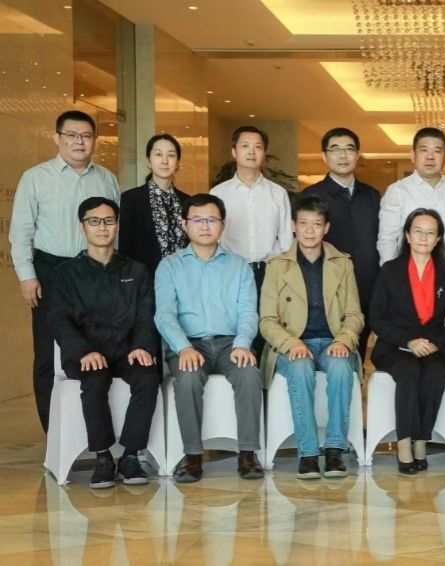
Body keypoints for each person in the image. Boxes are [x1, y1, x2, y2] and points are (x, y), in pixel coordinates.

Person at [9, 109, 121, 433]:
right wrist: (27, 275)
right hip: (51, 271)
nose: (79, 142)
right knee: (48, 354)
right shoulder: (35, 177)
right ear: (57, 138)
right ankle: (54, 433)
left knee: (99, 346)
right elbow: (21, 232)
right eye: (71, 135)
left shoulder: (107, 179)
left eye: (86, 136)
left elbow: (116, 231)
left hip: (96, 270)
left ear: (95, 140)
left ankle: (95, 432)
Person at [48, 197, 160, 489]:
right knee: (95, 380)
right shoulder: (64, 274)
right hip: (87, 352)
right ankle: (102, 457)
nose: (102, 227)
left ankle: (131, 456)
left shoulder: (136, 271)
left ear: (117, 226)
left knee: (148, 377)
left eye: (109, 221)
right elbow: (59, 320)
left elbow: (146, 315)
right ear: (82, 226)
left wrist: (141, 345)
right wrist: (84, 351)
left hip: (126, 350)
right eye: (94, 221)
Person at [154, 193, 264, 482]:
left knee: (249, 374)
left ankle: (247, 455)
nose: (205, 226)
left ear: (222, 225)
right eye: (197, 220)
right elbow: (164, 315)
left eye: (212, 219)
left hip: (231, 343)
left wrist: (243, 343)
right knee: (188, 378)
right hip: (189, 344)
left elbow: (248, 312)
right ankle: (192, 457)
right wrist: (183, 347)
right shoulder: (169, 266)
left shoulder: (239, 266)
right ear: (184, 224)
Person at [259, 195, 365, 479]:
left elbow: (355, 314)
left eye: (316, 224)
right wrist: (290, 343)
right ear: (293, 226)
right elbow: (266, 320)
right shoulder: (276, 266)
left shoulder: (342, 263)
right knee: (300, 368)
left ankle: (334, 450)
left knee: (341, 368)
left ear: (326, 228)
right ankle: (307, 453)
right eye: (303, 223)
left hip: (333, 342)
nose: (309, 230)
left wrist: (343, 340)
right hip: (294, 343)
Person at [369, 208, 445, 474]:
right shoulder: (390, 270)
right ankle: (404, 443)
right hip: (395, 346)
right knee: (409, 371)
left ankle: (421, 440)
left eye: (430, 233)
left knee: (435, 373)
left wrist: (436, 342)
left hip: (433, 345)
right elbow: (377, 318)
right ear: (408, 236)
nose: (423, 237)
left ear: (438, 238)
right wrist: (409, 341)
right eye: (418, 231)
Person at [303, 127, 381, 362]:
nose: (343, 155)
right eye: (335, 150)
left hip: (368, 286)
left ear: (357, 155)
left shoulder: (372, 196)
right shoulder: (310, 196)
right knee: (333, 354)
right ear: (325, 156)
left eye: (349, 149)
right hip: (328, 290)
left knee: (359, 353)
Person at [378, 127, 445, 278]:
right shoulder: (397, 191)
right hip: (410, 272)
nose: (430, 157)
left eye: (437, 151)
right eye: (424, 150)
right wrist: (391, 275)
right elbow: (388, 238)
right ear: (413, 155)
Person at [210, 125, 293, 289]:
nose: (251, 152)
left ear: (264, 153)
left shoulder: (278, 193)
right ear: (234, 152)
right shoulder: (218, 194)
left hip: (271, 273)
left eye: (258, 147)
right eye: (245, 146)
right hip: (231, 272)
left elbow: (286, 240)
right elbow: (214, 239)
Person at [119, 133, 190, 274]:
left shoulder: (187, 202)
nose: (164, 161)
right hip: (143, 280)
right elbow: (125, 247)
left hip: (182, 278)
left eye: (171, 155)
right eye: (158, 154)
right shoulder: (131, 199)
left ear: (177, 163)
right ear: (149, 162)